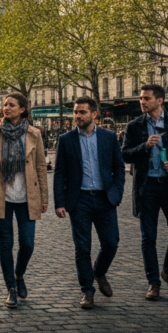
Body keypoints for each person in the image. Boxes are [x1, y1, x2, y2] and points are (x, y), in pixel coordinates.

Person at [121, 84, 168, 301]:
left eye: (146, 98)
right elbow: (125, 154)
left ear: (159, 100)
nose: (142, 102)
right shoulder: (134, 126)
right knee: (148, 238)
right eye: (141, 98)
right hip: (147, 187)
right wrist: (144, 146)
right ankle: (153, 283)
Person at [53, 97, 125, 309]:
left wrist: (117, 191)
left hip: (105, 198)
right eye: (75, 112)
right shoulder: (66, 139)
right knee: (82, 248)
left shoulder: (109, 137)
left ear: (94, 114)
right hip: (79, 200)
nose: (77, 116)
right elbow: (59, 173)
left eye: (82, 112)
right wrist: (60, 202)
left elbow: (119, 167)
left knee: (111, 243)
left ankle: (99, 272)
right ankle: (87, 291)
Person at [0, 92, 49, 309]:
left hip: (27, 196)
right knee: (5, 244)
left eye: (11, 105)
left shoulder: (34, 134)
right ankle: (10, 288)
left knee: (27, 244)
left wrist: (44, 197)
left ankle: (19, 275)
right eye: (5, 104)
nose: (6, 108)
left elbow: (40, 166)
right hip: (2, 195)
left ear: (22, 109)